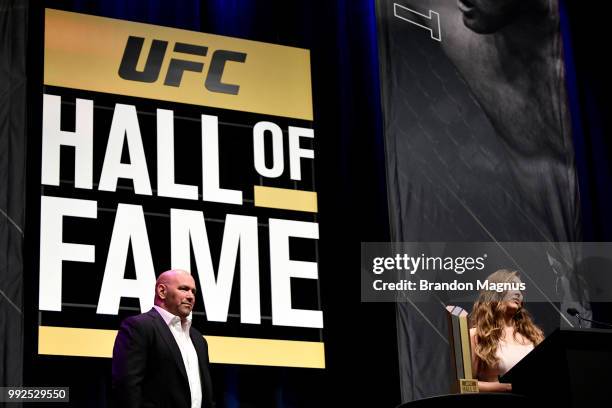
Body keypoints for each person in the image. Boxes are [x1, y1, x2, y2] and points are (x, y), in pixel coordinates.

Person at [112, 269, 215, 408]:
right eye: (184, 289)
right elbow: (127, 387)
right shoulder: (139, 327)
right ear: (162, 291)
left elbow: (207, 394)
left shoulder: (198, 339)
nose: (191, 296)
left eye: (193, 291)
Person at [469, 269, 544, 392]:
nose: (518, 293)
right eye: (513, 286)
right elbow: (467, 385)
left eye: (520, 290)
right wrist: (508, 387)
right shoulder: (477, 335)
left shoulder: (534, 335)